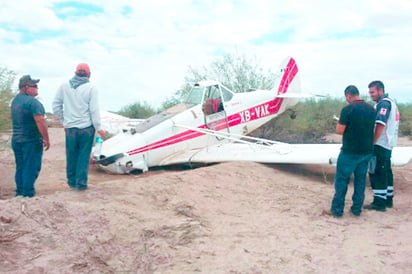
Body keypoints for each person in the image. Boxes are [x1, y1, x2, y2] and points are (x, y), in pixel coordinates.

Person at [52, 63, 106, 191]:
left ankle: (71, 182)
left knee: (71, 155)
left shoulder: (64, 86)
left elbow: (56, 105)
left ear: (75, 72)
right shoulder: (91, 88)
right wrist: (99, 128)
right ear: (89, 74)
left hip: (70, 128)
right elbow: (94, 110)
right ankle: (81, 184)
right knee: (83, 156)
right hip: (86, 128)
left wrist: (64, 121)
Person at [330, 85, 376, 217]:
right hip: (366, 151)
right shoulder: (371, 109)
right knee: (360, 180)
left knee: (342, 180)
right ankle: (357, 209)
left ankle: (337, 210)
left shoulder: (347, 110)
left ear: (348, 95)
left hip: (349, 151)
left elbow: (339, 130)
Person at [11, 75, 50, 197]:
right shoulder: (33, 103)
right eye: (35, 86)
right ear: (27, 88)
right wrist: (46, 138)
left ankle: (20, 192)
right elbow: (40, 121)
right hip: (31, 140)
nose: (37, 88)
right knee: (31, 167)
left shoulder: (15, 101)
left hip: (17, 139)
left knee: (21, 166)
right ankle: (27, 194)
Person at [364, 80, 400, 211]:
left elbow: (380, 124)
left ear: (380, 90)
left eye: (372, 92)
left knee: (378, 171)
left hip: (381, 143)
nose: (371, 95)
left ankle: (379, 202)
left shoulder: (383, 104)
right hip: (388, 143)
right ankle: (388, 199)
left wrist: (372, 141)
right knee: (386, 171)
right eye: (370, 92)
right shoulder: (391, 103)